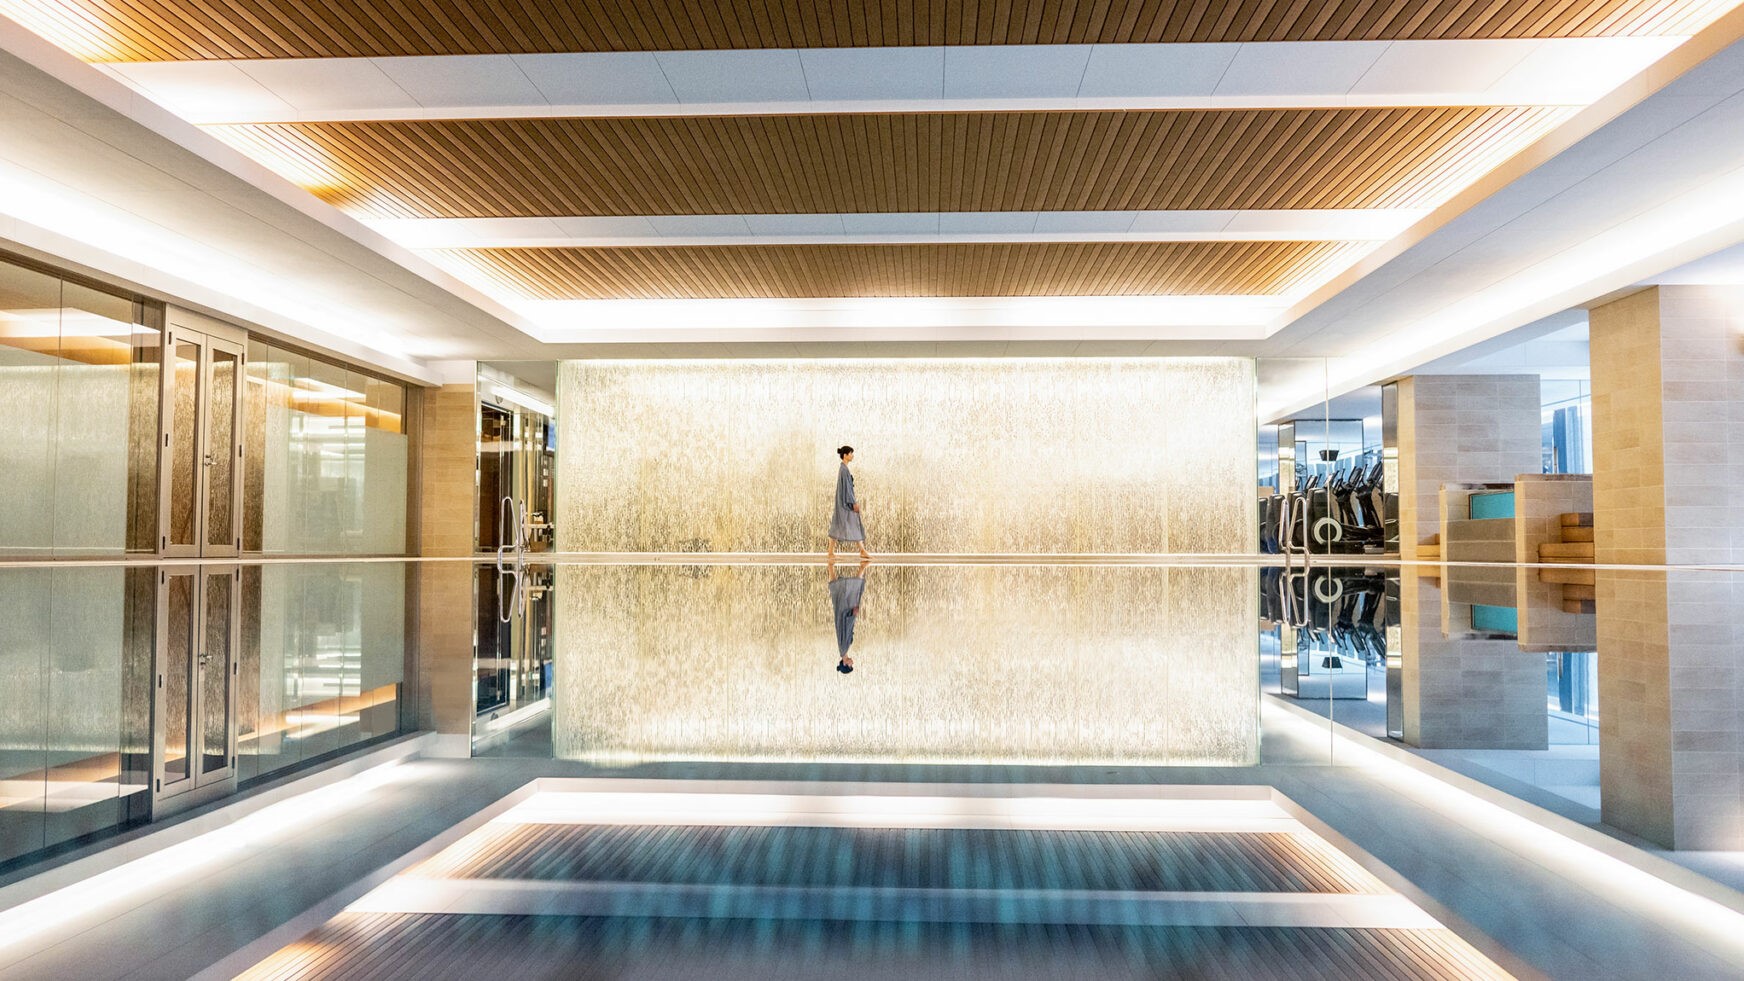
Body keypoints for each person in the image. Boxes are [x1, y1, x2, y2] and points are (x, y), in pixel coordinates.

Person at [827, 556, 870, 673]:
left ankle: (862, 567)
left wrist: (852, 614)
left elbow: (846, 627)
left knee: (853, 594)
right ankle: (831, 565)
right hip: (842, 613)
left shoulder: (844, 648)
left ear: (845, 664)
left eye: (850, 666)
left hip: (845, 612)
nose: (852, 663)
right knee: (836, 591)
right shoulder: (843, 650)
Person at [827, 445, 870, 559]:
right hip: (846, 505)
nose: (852, 455)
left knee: (839, 524)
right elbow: (847, 488)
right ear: (845, 455)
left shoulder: (843, 469)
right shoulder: (844, 470)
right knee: (850, 524)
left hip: (843, 503)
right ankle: (861, 550)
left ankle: (861, 550)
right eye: (850, 453)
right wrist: (853, 502)